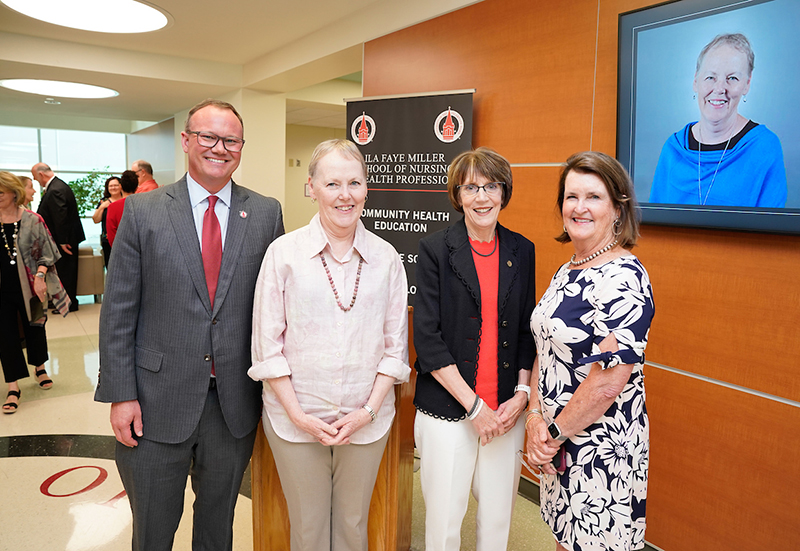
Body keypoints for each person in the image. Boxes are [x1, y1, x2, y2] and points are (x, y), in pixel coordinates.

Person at [94, 99, 284, 551]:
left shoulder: (265, 213)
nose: (219, 148)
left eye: (231, 140)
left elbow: (278, 307)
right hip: (154, 404)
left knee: (218, 528)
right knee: (153, 531)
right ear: (186, 140)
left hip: (233, 405)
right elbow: (118, 310)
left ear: (241, 147)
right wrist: (121, 395)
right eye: (208, 136)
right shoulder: (143, 211)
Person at [248, 139, 409, 551]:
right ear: (312, 188)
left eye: (354, 183)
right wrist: (299, 416)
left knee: (354, 526)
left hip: (367, 421)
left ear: (367, 188)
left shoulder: (387, 258)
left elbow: (395, 349)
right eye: (332, 183)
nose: (345, 195)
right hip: (295, 421)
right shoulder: (283, 254)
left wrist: (366, 413)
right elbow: (267, 348)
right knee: (308, 530)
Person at [526, 151, 655, 551]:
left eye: (594, 197)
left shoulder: (624, 277)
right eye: (571, 196)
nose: (579, 207)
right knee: (565, 540)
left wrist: (551, 435)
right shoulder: (568, 269)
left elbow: (607, 382)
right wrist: (535, 417)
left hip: (600, 450)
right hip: (558, 443)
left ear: (618, 209)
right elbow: (545, 349)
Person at [413, 147, 536, 551]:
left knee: (498, 522)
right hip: (449, 410)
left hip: (505, 412)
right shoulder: (434, 249)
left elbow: (526, 330)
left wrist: (522, 394)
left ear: (504, 192)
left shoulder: (522, 250)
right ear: (457, 195)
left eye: (491, 186)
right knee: (444, 525)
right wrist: (475, 408)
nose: (482, 197)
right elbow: (427, 339)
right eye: (470, 188)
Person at [649, 33, 787, 207]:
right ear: (696, 81)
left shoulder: (765, 147)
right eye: (711, 77)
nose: (720, 88)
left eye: (732, 78)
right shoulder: (673, 148)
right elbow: (653, 220)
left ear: (747, 84)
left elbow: (771, 223)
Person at [0, 172, 70, 413]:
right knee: (5, 336)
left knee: (36, 327)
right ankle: (13, 387)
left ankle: (39, 367)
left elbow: (47, 253)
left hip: (31, 286)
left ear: (13, 193)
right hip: (3, 290)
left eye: (0, 192)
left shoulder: (33, 220)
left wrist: (40, 277)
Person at [31, 162, 85, 311]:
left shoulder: (55, 189)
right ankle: (62, 300)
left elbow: (60, 216)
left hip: (65, 240)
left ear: (41, 174)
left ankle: (69, 303)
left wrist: (62, 241)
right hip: (64, 238)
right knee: (62, 270)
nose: (35, 180)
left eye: (35, 177)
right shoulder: (57, 186)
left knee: (66, 271)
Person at [91, 176, 123, 266]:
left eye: (116, 185)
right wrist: (102, 207)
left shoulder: (126, 200)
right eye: (111, 186)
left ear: (121, 186)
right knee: (110, 265)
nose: (113, 188)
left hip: (123, 238)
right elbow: (96, 220)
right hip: (107, 239)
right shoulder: (103, 201)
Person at [104, 170, 138, 248]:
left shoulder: (113, 207)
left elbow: (111, 234)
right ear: (136, 187)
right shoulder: (144, 204)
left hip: (120, 249)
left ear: (120, 186)